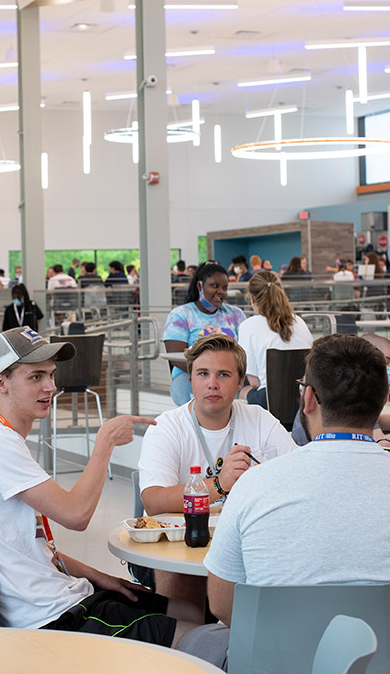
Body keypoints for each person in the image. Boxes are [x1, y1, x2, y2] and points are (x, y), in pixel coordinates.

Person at [192, 334, 390, 674]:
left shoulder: (253, 486)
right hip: (380, 667)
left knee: (196, 640)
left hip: (270, 666)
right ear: (383, 399)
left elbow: (224, 606)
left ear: (309, 398)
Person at [0, 327, 200, 643]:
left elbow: (31, 548)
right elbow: (76, 515)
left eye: (51, 375)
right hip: (50, 618)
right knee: (198, 635)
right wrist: (105, 442)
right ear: (0, 382)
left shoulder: (1, 439)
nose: (50, 387)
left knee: (190, 611)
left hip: (60, 595)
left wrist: (100, 577)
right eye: (36, 377)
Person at [138, 333, 297, 614]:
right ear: (190, 379)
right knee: (187, 581)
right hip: (180, 544)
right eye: (203, 373)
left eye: (223, 374)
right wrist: (220, 484)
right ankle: (188, 649)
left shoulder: (260, 420)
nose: (212, 383)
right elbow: (154, 501)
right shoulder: (166, 427)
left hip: (247, 540)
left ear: (239, 383)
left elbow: (298, 479)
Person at [163, 262, 245, 405]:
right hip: (189, 376)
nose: (221, 292)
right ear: (200, 286)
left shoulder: (236, 314)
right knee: (197, 408)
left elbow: (245, 350)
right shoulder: (181, 315)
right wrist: (206, 373)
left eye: (224, 288)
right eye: (215, 286)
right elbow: (176, 356)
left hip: (229, 375)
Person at [236, 271, 313, 409]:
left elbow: (254, 382)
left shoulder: (248, 326)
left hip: (270, 402)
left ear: (252, 298)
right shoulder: (299, 321)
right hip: (303, 399)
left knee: (243, 391)